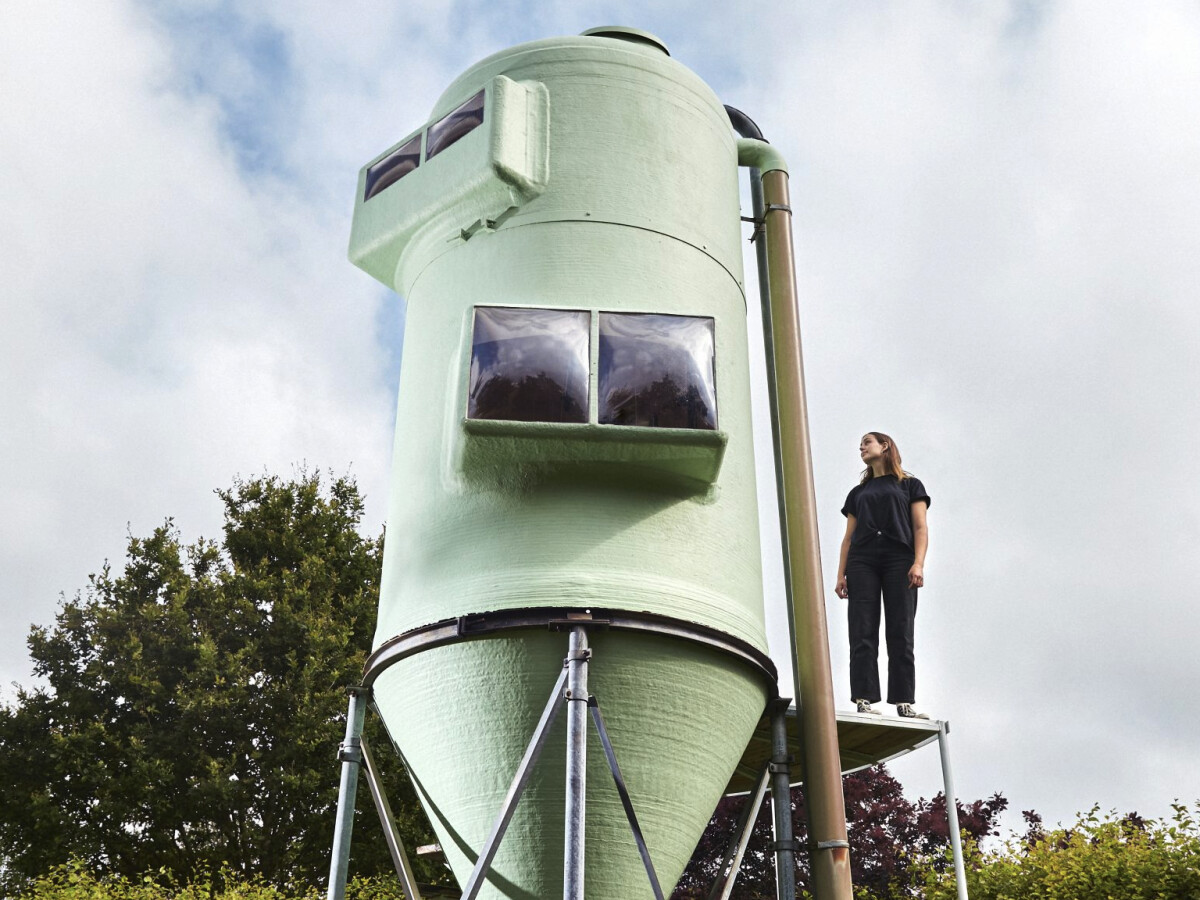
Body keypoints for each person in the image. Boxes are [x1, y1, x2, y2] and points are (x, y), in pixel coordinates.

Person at [834, 432, 931, 718]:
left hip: (899, 559)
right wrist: (841, 574)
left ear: (884, 446)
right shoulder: (857, 493)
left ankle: (904, 701)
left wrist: (918, 563)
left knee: (901, 629)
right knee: (861, 629)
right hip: (862, 561)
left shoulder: (910, 485)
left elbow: (920, 529)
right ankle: (863, 698)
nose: (861, 447)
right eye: (861, 445)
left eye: (867, 442)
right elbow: (848, 538)